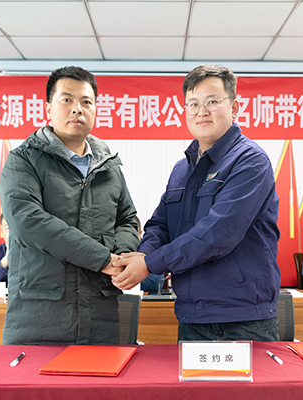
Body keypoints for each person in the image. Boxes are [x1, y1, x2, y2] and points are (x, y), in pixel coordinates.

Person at [112, 64, 281, 342]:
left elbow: (218, 234)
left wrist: (150, 263)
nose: (202, 111)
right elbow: (160, 224)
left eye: (212, 101)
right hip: (192, 315)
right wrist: (143, 256)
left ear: (234, 107)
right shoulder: (183, 169)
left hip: (242, 318)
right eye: (193, 104)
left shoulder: (250, 161)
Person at [0, 66, 139, 345]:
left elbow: (127, 219)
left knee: (103, 375)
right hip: (41, 315)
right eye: (67, 100)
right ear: (48, 107)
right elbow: (29, 222)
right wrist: (103, 259)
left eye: (86, 101)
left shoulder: (109, 166)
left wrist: (122, 257)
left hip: (100, 313)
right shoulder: (23, 160)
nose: (77, 109)